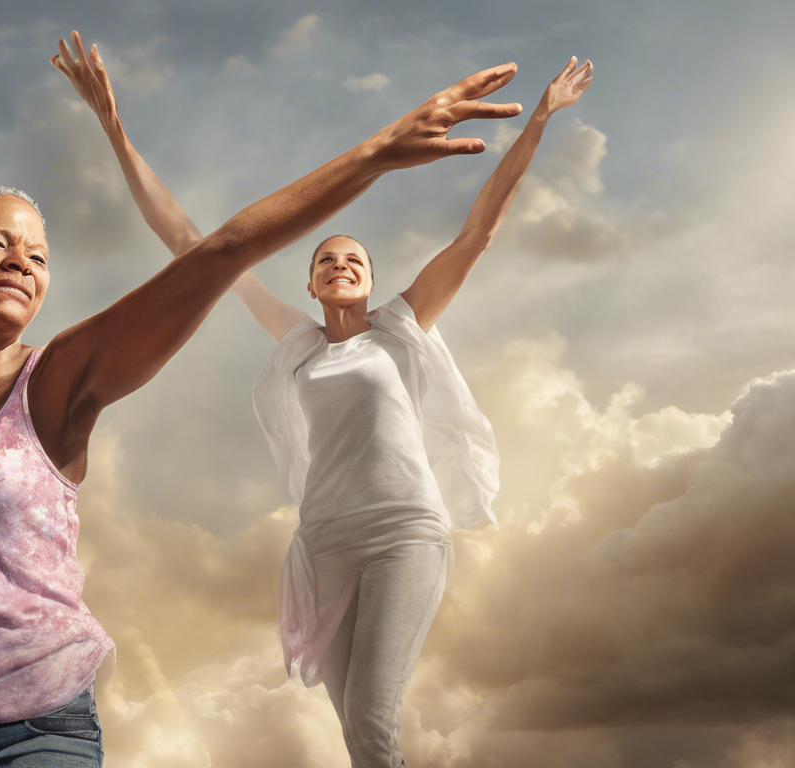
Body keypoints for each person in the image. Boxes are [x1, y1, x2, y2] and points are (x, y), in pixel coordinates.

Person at [0, 35, 522, 767]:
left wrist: (373, 153)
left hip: (31, 736)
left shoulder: (60, 379)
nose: (24, 261)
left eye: (37, 254)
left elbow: (216, 253)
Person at [53, 33, 591, 767]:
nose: (340, 265)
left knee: (373, 725)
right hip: (324, 545)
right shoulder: (298, 344)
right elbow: (187, 240)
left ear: (370, 279)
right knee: (358, 739)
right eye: (325, 260)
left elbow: (479, 232)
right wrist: (115, 131)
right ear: (311, 285)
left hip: (404, 534)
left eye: (354, 260)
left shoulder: (401, 327)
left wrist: (539, 121)